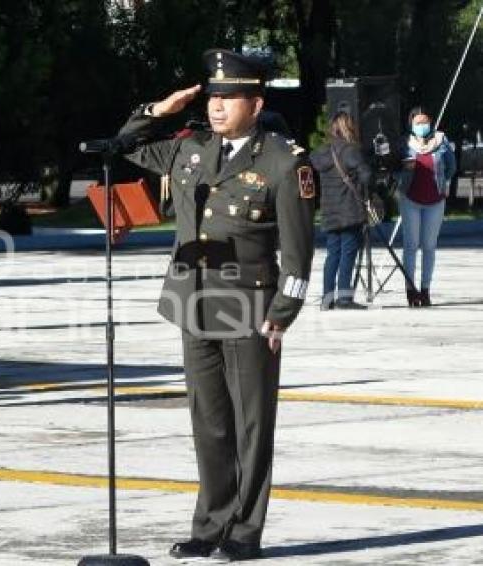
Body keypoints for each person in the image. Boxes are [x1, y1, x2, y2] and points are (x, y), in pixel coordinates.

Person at [118, 49, 315, 561]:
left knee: (252, 424)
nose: (216, 106)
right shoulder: (191, 151)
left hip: (249, 308)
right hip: (194, 303)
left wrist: (283, 313)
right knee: (209, 422)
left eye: (229, 97)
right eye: (212, 97)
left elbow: (297, 252)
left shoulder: (282, 161)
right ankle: (210, 526)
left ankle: (245, 533)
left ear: (255, 102)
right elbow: (126, 146)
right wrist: (161, 109)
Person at [310, 111, 372, 310]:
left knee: (332, 254)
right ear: (349, 127)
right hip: (349, 211)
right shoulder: (350, 150)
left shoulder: (321, 153)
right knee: (348, 254)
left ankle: (327, 299)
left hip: (329, 211)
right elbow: (366, 175)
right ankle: (344, 298)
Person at [396, 107, 456, 307]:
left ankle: (425, 289)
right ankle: (410, 290)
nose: (423, 126)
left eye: (425, 122)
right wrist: (401, 178)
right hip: (410, 199)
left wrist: (443, 182)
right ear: (411, 125)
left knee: (429, 246)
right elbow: (394, 167)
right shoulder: (405, 143)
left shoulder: (441, 140)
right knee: (411, 246)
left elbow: (452, 166)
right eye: (418, 123)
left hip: (435, 200)